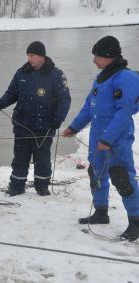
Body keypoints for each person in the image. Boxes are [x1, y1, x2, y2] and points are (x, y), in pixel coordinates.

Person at [62, 36, 139, 241]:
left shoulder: (125, 77)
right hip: (98, 137)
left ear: (107, 56)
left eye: (96, 56)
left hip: (116, 139)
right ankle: (101, 212)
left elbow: (124, 111)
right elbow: (89, 106)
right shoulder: (101, 77)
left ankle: (135, 222)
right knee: (96, 174)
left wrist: (108, 139)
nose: (93, 60)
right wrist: (74, 127)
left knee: (122, 177)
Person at [0, 41, 71, 196]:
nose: (29, 59)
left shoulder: (56, 75)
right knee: (20, 157)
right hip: (22, 124)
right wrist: (1, 103)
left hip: (45, 125)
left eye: (32, 55)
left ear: (42, 56)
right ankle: (16, 186)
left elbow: (64, 99)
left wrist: (58, 120)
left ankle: (42, 186)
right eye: (28, 55)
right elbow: (11, 93)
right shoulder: (21, 73)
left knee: (42, 158)